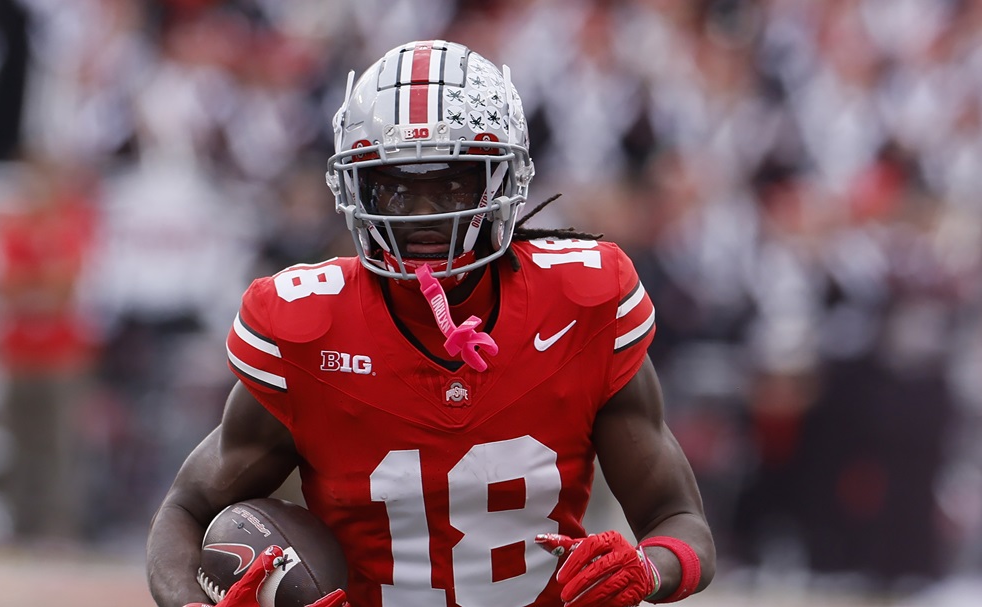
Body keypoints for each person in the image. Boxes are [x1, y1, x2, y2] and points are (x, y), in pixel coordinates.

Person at [146, 40, 715, 607]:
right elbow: (186, 510)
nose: (424, 214)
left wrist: (649, 568)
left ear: (500, 182)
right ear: (355, 187)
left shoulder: (580, 303)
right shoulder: (309, 326)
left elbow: (680, 520)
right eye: (394, 188)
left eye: (451, 183)